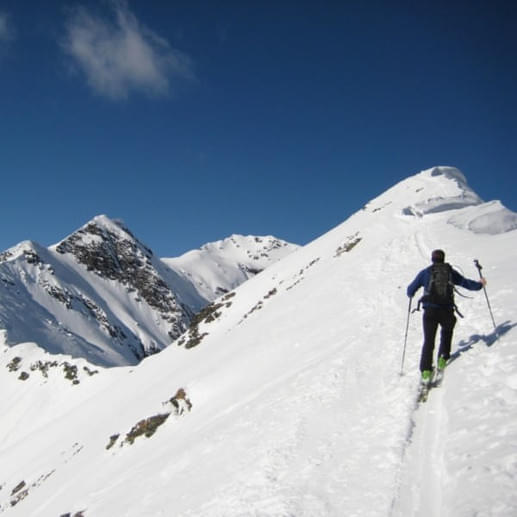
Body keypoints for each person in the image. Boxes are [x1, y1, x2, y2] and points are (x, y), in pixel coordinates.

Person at [407, 249, 486, 382]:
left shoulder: (425, 272)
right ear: (443, 259)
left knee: (429, 340)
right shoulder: (450, 272)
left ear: (432, 259)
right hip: (446, 310)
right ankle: (443, 358)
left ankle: (426, 371)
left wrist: (411, 294)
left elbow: (410, 290)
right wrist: (480, 284)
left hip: (430, 311)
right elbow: (466, 283)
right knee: (447, 332)